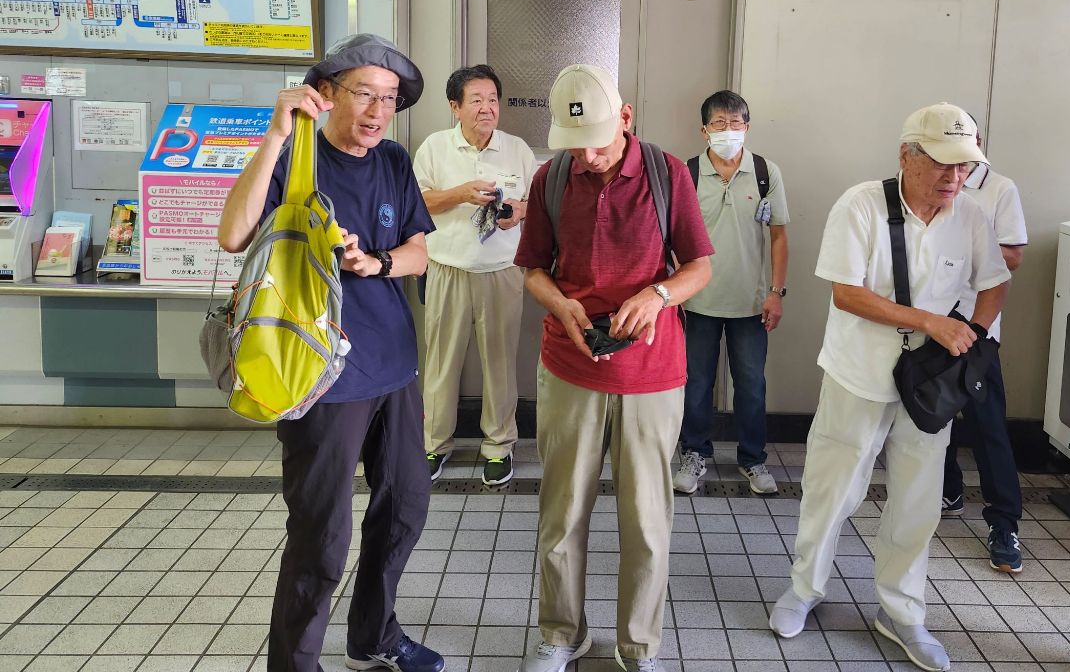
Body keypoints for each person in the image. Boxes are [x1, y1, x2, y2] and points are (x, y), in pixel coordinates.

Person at [218, 34, 442, 672]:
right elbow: (233, 234)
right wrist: (275, 134)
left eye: (390, 99)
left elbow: (420, 252)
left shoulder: (393, 161)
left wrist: (377, 263)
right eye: (365, 94)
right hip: (317, 375)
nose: (378, 111)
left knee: (404, 507)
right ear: (326, 93)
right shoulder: (296, 155)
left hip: (393, 366)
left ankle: (373, 636)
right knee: (322, 532)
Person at [769, 102, 1010, 672]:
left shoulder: (971, 214)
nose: (955, 177)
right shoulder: (860, 205)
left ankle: (902, 611)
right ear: (907, 155)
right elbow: (846, 292)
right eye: (943, 163)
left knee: (919, 499)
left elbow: (994, 282)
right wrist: (932, 323)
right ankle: (804, 589)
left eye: (964, 166)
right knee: (832, 489)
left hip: (930, 388)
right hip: (858, 373)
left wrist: (972, 337)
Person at [514, 64, 713, 672]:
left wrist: (658, 295)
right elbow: (533, 269)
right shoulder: (552, 178)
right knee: (561, 513)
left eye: (598, 142)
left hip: (652, 373)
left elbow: (699, 266)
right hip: (569, 365)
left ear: (626, 118)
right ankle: (560, 634)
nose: (589, 156)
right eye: (576, 145)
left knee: (647, 520)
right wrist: (561, 304)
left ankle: (639, 646)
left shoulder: (667, 173)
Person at [413, 64, 536, 486]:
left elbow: (535, 204)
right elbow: (418, 202)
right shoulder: (434, 147)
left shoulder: (517, 148)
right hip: (445, 268)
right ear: (455, 107)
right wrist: (461, 193)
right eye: (477, 100)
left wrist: (518, 211)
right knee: (440, 362)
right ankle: (434, 443)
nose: (487, 108)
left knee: (501, 363)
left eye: (493, 99)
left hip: (502, 271)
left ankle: (499, 446)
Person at [674, 89, 790, 496]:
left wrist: (776, 292)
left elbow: (779, 236)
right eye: (719, 123)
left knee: (752, 385)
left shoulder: (765, 172)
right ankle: (694, 453)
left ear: (747, 127)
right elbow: (673, 236)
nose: (728, 130)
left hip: (751, 303)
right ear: (704, 130)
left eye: (735, 122)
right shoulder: (687, 173)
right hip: (697, 301)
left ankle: (753, 459)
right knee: (696, 383)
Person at [942, 124, 1028, 574]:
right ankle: (949, 490)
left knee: (987, 423)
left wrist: (964, 248)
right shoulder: (927, 182)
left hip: (978, 323)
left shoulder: (999, 188)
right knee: (931, 411)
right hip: (931, 320)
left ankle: (1004, 522)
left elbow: (1013, 255)